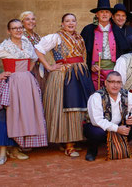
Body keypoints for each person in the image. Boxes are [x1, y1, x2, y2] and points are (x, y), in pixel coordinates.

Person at [0, 19, 47, 166]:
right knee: (5, 115)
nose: (18, 30)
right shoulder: (4, 46)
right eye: (14, 28)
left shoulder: (27, 43)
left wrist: (26, 73)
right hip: (11, 84)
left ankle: (16, 148)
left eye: (20, 28)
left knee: (22, 115)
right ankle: (3, 152)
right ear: (8, 31)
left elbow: (34, 59)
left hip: (27, 83)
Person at [35, 13, 95, 157]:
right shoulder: (56, 37)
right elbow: (37, 50)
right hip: (63, 75)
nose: (70, 23)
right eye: (67, 21)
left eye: (73, 21)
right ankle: (68, 144)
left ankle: (72, 140)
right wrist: (49, 67)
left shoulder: (79, 37)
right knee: (65, 107)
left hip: (80, 74)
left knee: (81, 107)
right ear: (62, 24)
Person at [83, 72, 132, 161]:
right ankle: (92, 151)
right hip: (100, 128)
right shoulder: (96, 96)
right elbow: (96, 120)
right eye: (112, 82)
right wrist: (117, 129)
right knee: (96, 133)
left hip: (120, 125)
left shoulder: (127, 94)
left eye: (118, 82)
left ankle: (122, 145)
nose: (115, 85)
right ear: (106, 83)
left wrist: (131, 118)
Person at [81, 0, 132, 90]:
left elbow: (125, 51)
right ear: (97, 14)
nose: (104, 14)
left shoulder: (117, 30)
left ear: (111, 15)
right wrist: (90, 66)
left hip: (113, 70)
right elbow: (82, 51)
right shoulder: (88, 30)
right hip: (95, 72)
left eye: (107, 12)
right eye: (101, 12)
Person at [21, 11, 48, 92]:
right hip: (27, 67)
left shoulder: (37, 37)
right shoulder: (21, 36)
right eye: (27, 19)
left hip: (39, 67)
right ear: (22, 22)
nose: (31, 21)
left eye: (33, 19)